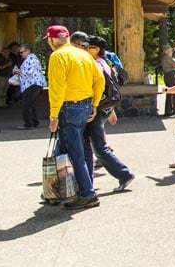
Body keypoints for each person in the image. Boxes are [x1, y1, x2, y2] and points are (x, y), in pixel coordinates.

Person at [45, 25, 105, 210]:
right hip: (85, 105)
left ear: (51, 40)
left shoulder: (57, 56)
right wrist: (94, 104)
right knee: (64, 148)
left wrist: (53, 115)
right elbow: (100, 80)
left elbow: (57, 88)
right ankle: (54, 190)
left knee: (73, 152)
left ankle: (87, 194)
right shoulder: (84, 54)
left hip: (68, 107)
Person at [82, 35, 135, 193]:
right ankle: (119, 175)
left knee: (98, 147)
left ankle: (124, 174)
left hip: (97, 108)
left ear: (96, 49)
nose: (84, 49)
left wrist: (94, 106)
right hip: (104, 107)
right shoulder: (105, 63)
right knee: (95, 144)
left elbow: (99, 88)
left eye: (87, 46)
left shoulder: (96, 64)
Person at [14, 44, 47, 130]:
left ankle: (28, 124)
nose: (20, 54)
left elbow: (28, 71)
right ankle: (34, 122)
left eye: (21, 52)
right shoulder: (30, 58)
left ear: (28, 51)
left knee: (26, 104)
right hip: (34, 84)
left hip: (32, 84)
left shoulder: (31, 58)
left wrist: (18, 70)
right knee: (31, 104)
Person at [160, 44, 175, 117]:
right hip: (171, 76)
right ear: (167, 51)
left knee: (169, 92)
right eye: (170, 50)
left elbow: (173, 67)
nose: (171, 52)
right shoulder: (167, 57)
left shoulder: (165, 58)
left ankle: (168, 111)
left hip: (168, 76)